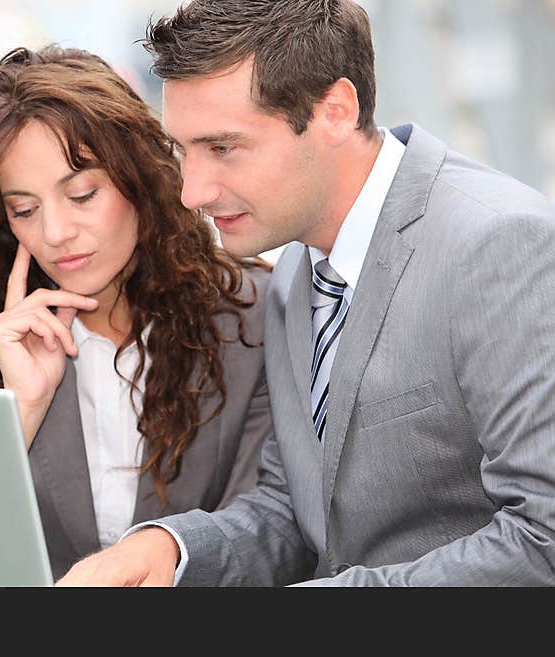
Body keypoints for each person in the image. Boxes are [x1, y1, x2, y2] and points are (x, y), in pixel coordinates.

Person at [58, 0, 555, 586]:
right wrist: (169, 550)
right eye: (182, 150)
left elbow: (542, 540)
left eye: (221, 148)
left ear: (336, 111)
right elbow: (300, 510)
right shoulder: (297, 267)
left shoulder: (500, 244)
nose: (191, 190)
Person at [0, 45, 274, 580]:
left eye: (81, 195)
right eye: (24, 209)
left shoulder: (252, 314)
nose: (54, 234)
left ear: (141, 179)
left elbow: (271, 528)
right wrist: (17, 411)